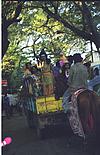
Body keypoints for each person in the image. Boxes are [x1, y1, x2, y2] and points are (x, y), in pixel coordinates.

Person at [21, 62, 38, 128]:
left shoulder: (34, 73)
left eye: (29, 65)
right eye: (28, 65)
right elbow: (25, 79)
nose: (29, 66)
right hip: (30, 86)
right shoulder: (27, 72)